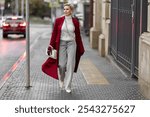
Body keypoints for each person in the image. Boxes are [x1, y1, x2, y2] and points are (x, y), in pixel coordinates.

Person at [42, 3, 85, 93]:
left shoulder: (75, 22)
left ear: (71, 11)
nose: (65, 11)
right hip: (61, 43)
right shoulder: (58, 20)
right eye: (64, 9)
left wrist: (81, 47)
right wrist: (50, 46)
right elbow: (54, 34)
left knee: (70, 65)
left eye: (67, 9)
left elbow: (78, 36)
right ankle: (62, 79)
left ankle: (68, 85)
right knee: (62, 65)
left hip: (72, 44)